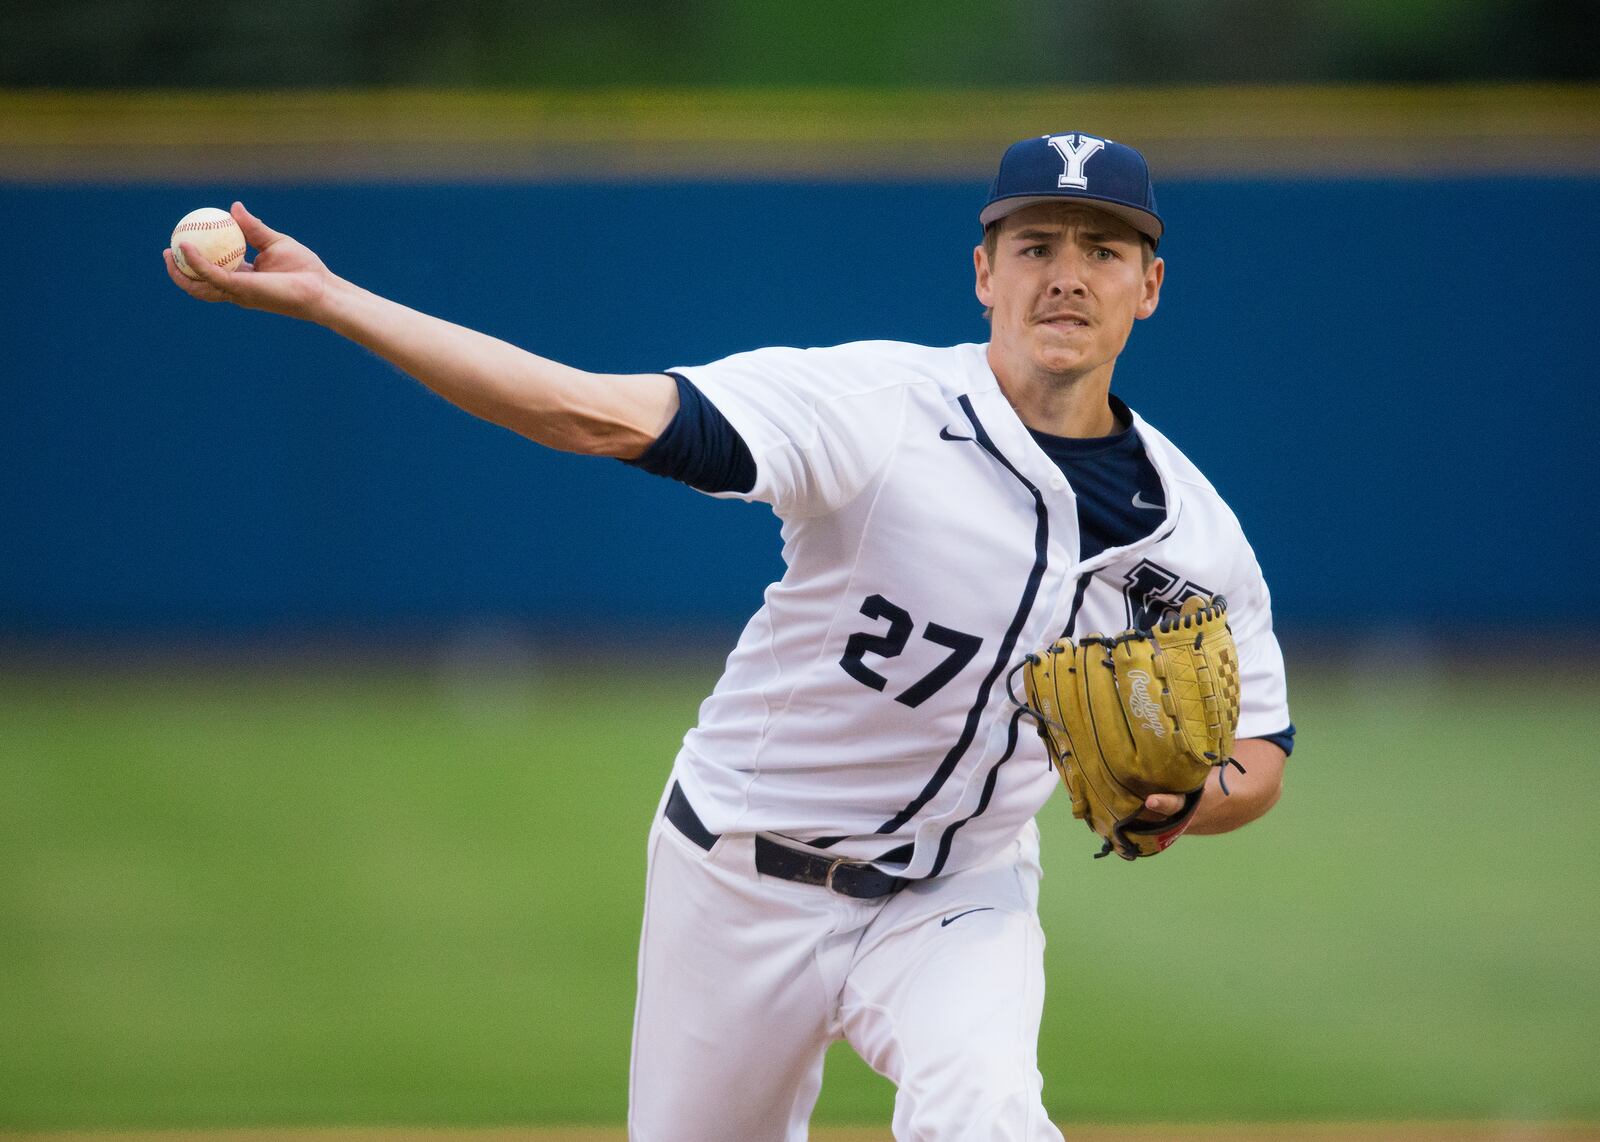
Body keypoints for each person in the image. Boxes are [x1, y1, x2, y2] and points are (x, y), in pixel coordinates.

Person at [167, 131, 1294, 1141]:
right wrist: (336, 300)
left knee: (986, 1116)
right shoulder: (877, 413)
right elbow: (588, 411)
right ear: (983, 273)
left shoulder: (1193, 532)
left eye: (1103, 249)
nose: (1066, 274)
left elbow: (1261, 748)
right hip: (739, 875)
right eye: (1035, 244)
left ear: (1148, 285)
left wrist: (1194, 800)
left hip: (959, 891)